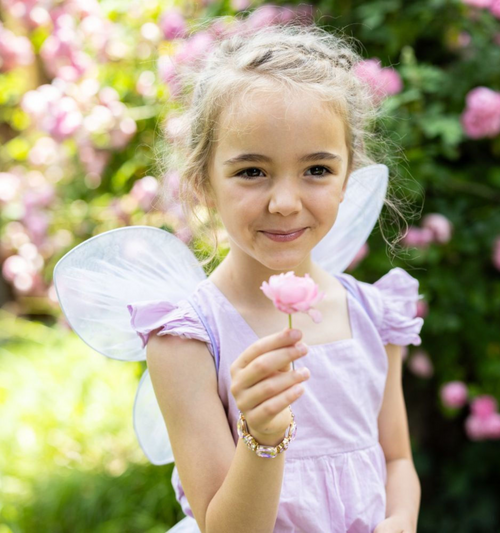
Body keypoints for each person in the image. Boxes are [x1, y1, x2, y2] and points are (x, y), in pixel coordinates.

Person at [54, 21, 424, 533]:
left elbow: (397, 460)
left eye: (317, 169)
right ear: (204, 182)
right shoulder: (188, 339)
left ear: (347, 177)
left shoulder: (374, 316)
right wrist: (262, 435)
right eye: (252, 171)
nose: (285, 202)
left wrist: (401, 520)